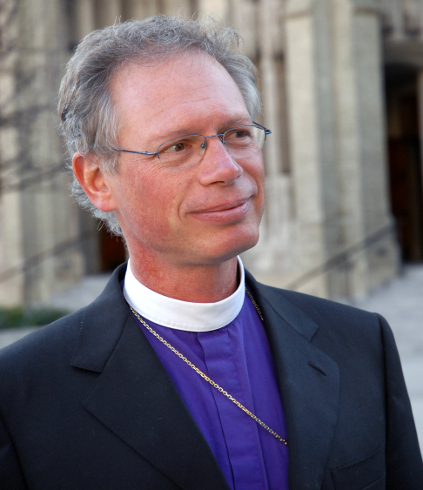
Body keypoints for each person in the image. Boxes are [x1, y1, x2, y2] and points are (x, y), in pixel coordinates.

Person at [0, 15, 422, 490]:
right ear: (98, 180)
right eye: (179, 146)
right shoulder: (19, 395)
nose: (225, 168)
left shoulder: (363, 347)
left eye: (238, 133)